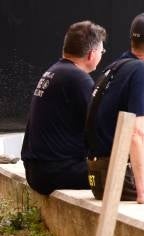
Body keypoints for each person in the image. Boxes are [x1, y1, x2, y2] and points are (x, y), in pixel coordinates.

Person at [85, 10, 144, 209]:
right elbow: (136, 133)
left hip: (101, 176)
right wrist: (143, 194)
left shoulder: (116, 67)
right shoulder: (141, 71)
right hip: (120, 178)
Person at [20, 21, 107, 195]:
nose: (102, 55)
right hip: (55, 173)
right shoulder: (78, 79)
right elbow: (99, 128)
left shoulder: (54, 71)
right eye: (102, 51)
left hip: (37, 170)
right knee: (121, 176)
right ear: (91, 54)